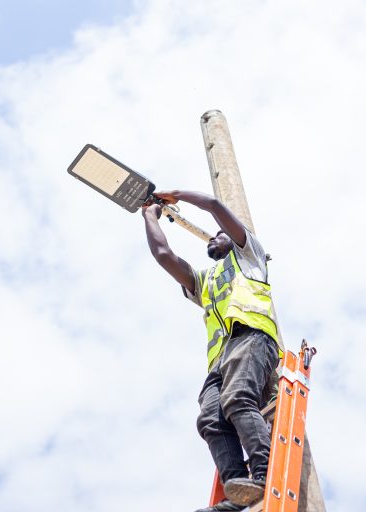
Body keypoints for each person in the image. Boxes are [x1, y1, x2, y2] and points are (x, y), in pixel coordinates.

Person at [142, 190, 284, 511]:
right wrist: (149, 216)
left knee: (238, 399)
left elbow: (215, 207)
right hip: (219, 360)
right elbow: (164, 255)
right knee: (210, 419)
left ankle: (262, 474)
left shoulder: (249, 256)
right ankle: (237, 491)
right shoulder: (206, 282)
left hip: (250, 337)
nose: (211, 239)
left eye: (218, 235)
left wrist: (176, 195)